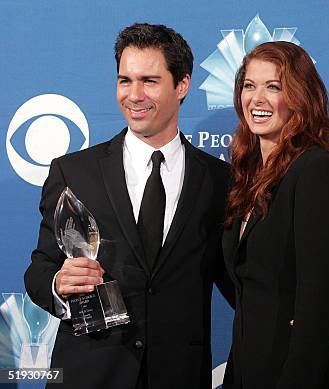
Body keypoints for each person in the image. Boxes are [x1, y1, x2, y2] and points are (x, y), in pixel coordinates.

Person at [24, 23, 232, 389]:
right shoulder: (73, 172)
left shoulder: (219, 180)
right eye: (125, 80)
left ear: (182, 85)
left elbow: (239, 279)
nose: (134, 95)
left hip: (178, 375)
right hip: (89, 374)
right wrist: (59, 283)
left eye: (149, 81)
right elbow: (40, 268)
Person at [221, 41, 329, 389]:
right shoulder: (245, 174)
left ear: (299, 97)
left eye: (273, 87)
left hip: (289, 369)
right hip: (246, 365)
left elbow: (318, 297)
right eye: (249, 85)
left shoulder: (315, 168)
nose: (257, 99)